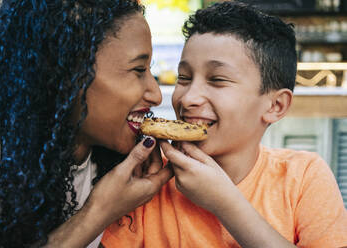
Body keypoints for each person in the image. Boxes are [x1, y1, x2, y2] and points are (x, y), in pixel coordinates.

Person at [101, 1, 347, 247]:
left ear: (276, 106)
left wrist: (225, 203)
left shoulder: (304, 177)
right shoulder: (146, 183)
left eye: (217, 80)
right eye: (184, 78)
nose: (188, 98)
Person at [0, 0, 173, 247]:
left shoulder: (125, 171)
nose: (156, 94)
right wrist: (97, 213)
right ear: (69, 75)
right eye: (138, 69)